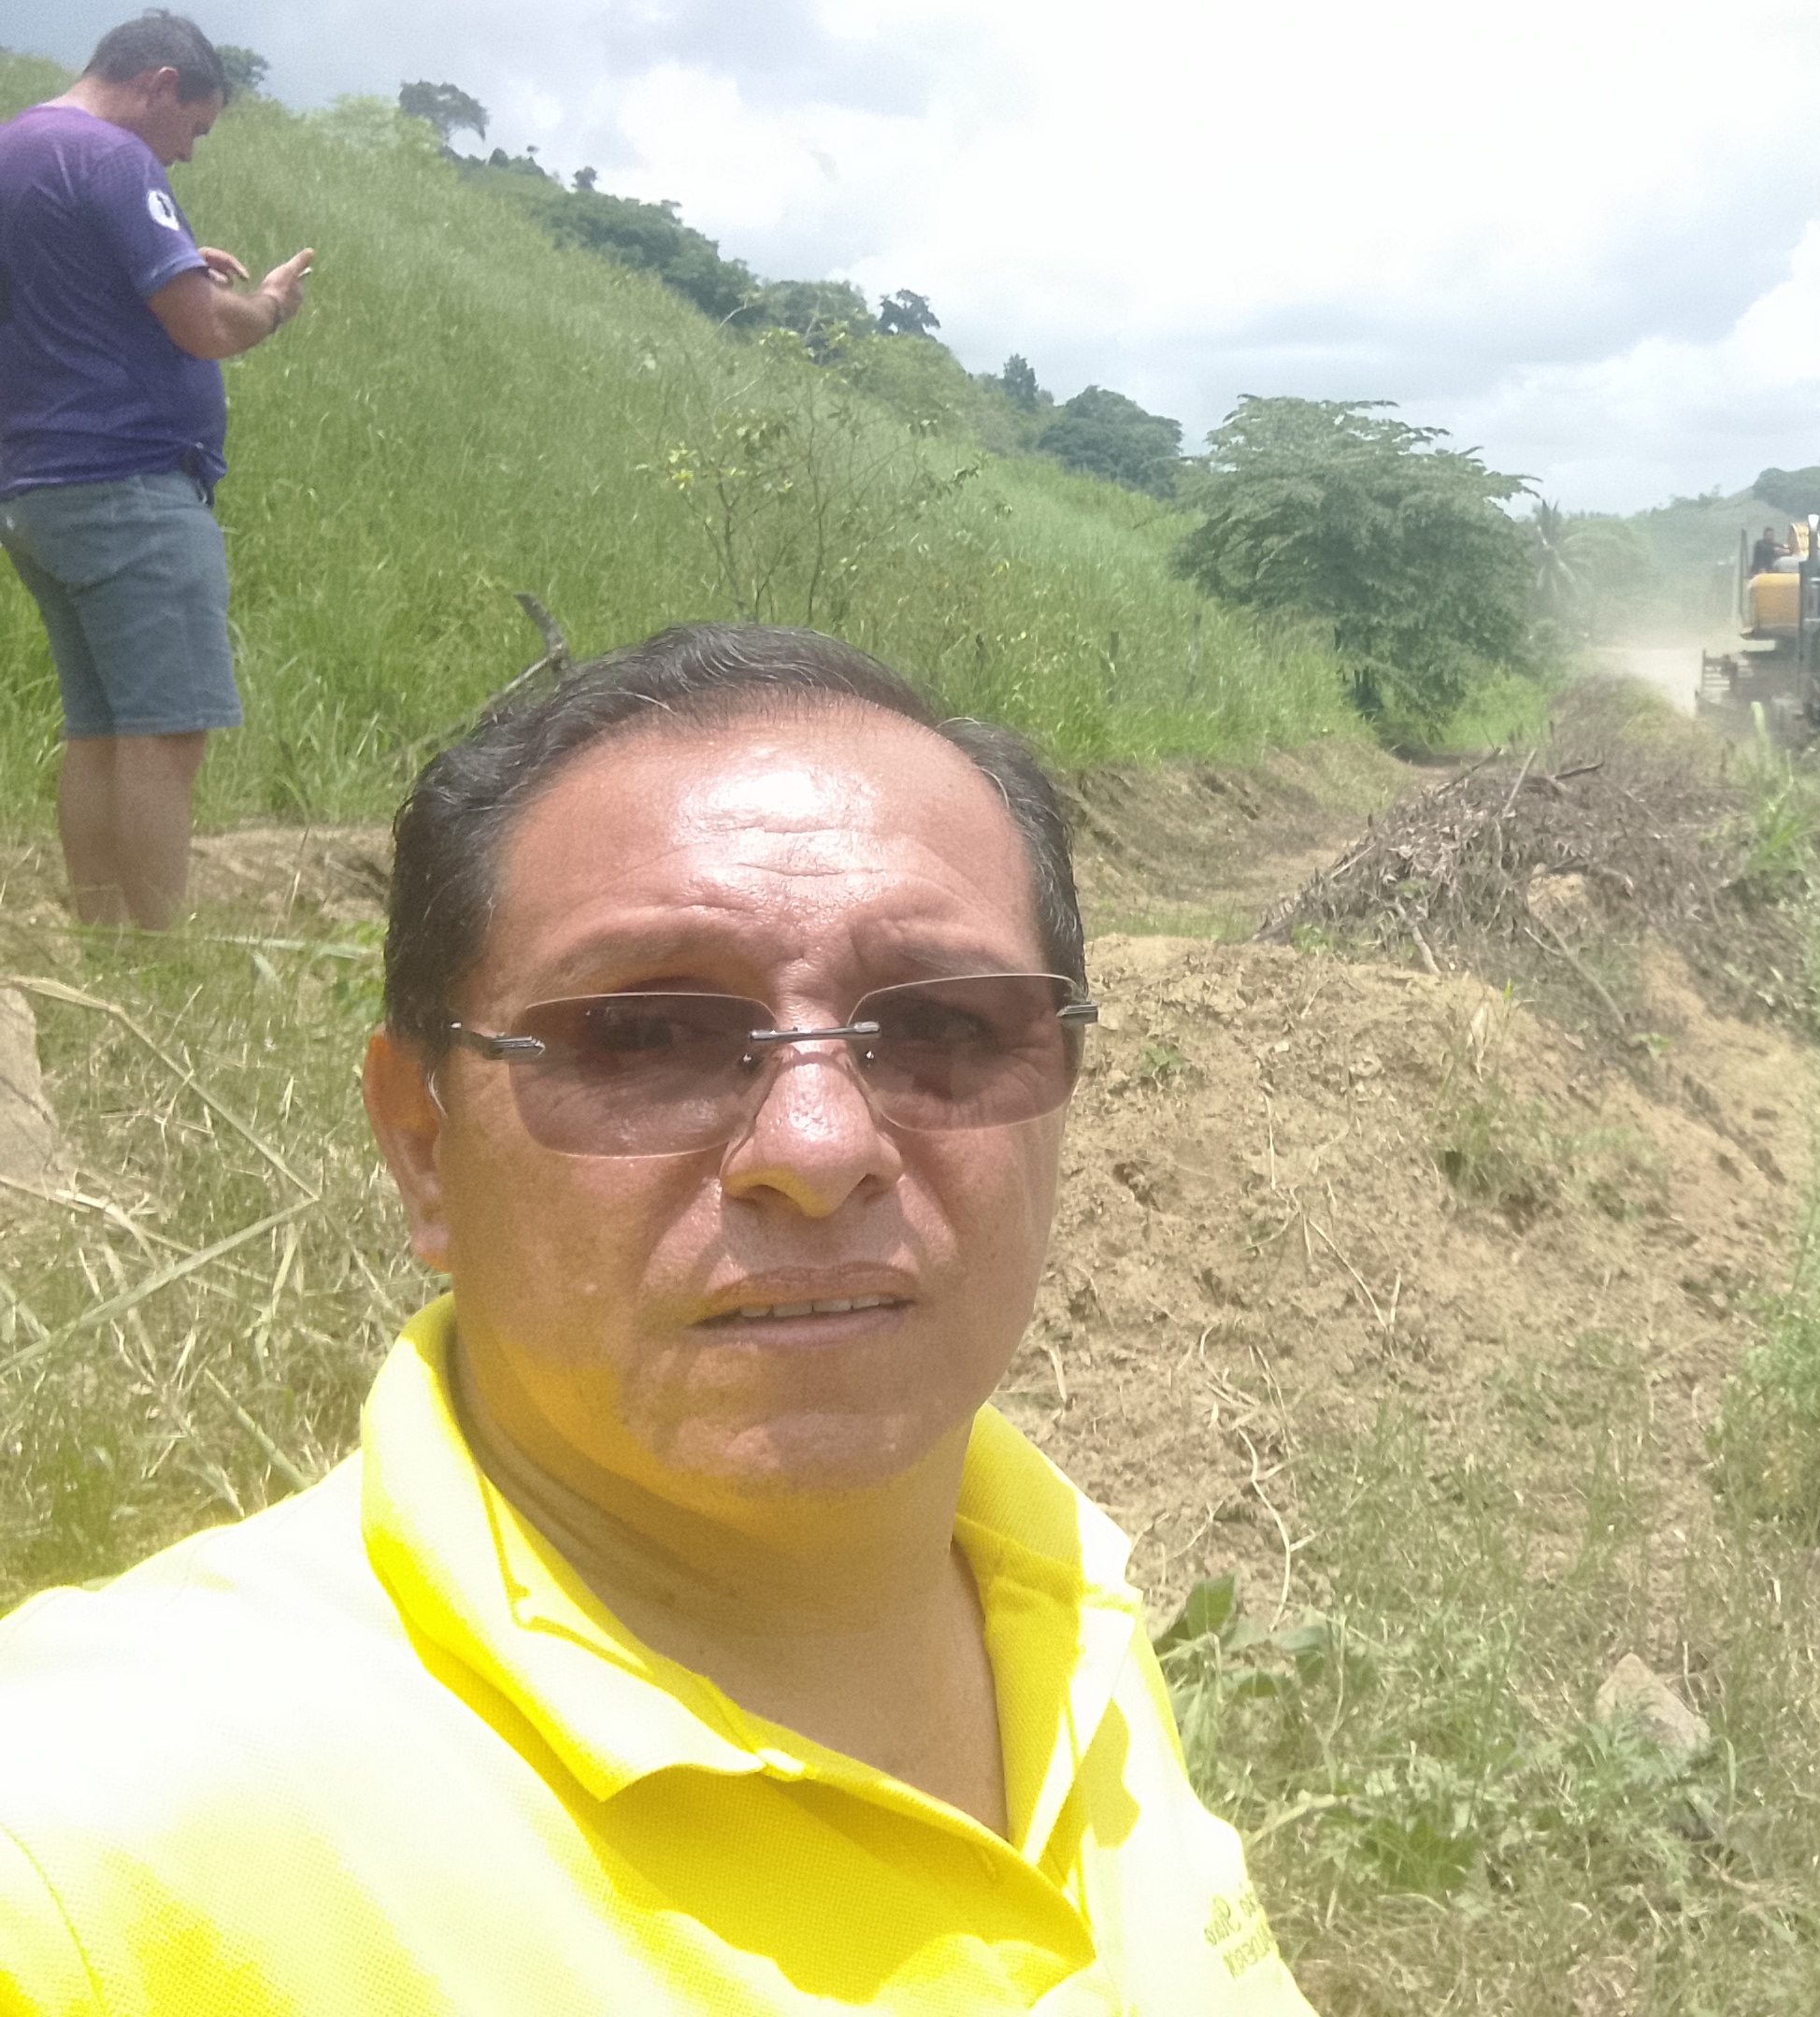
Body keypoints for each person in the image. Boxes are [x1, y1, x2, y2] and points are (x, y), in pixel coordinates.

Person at [0, 624, 1314, 2013]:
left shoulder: (1059, 1598)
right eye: (646, 1036)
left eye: (941, 1027)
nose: (818, 1147)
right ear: (423, 1146)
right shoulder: (97, 1853)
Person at [0, 9, 313, 928]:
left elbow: (51, 293)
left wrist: (162, 266)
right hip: (128, 483)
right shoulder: (111, 157)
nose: (184, 154)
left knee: (101, 732)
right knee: (163, 735)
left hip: (37, 484)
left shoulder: (17, 148)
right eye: (194, 129)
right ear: (161, 83)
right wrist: (269, 305)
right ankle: (161, 957)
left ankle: (106, 944)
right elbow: (206, 326)